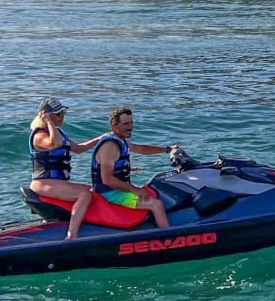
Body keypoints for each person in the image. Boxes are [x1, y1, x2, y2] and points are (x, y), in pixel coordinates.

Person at [28, 97, 104, 239]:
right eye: (58, 114)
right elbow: (54, 144)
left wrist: (100, 139)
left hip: (57, 183)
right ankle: (71, 235)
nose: (62, 116)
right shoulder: (39, 136)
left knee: (94, 190)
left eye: (63, 113)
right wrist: (48, 122)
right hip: (43, 183)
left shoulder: (59, 134)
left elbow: (78, 149)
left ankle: (92, 223)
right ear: (47, 116)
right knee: (84, 195)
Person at [91, 106, 175, 229]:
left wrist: (167, 149)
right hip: (110, 193)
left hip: (117, 189)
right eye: (125, 124)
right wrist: (135, 190)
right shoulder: (110, 146)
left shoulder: (121, 140)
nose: (130, 127)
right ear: (114, 125)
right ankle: (169, 236)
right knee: (156, 205)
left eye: (131, 122)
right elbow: (107, 180)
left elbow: (142, 149)